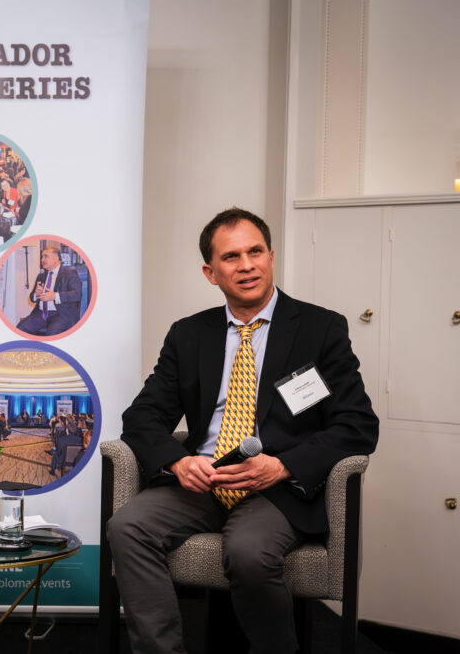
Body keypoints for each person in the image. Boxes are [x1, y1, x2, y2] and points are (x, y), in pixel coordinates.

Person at [106, 208, 378, 654]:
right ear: (211, 273)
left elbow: (357, 425)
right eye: (231, 257)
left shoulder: (319, 328)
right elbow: (142, 416)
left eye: (255, 251)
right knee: (126, 526)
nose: (247, 265)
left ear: (271, 256)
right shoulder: (188, 334)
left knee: (249, 553)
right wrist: (178, 461)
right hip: (204, 481)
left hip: (277, 488)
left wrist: (282, 465)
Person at [16, 246, 83, 336]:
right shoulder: (42, 275)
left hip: (60, 314)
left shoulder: (69, 273)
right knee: (20, 328)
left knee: (52, 333)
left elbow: (77, 294)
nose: (42, 259)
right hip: (41, 313)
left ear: (56, 258)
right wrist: (36, 294)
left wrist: (55, 296)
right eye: (42, 257)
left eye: (45, 256)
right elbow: (32, 298)